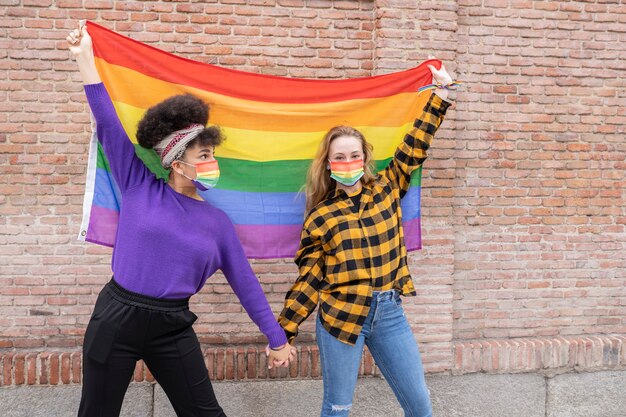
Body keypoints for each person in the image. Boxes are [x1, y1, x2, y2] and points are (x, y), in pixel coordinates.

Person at [67, 22, 293, 417]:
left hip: (172, 326)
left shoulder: (217, 222)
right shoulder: (139, 186)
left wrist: (277, 338)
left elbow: (246, 282)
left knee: (206, 413)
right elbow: (108, 124)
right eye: (203, 155)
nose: (211, 161)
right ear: (176, 160)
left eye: (211, 154)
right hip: (115, 318)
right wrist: (86, 57)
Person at [277, 59, 455, 417]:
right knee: (338, 407)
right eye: (339, 157)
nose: (348, 162)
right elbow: (309, 280)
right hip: (341, 315)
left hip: (389, 312)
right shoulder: (321, 215)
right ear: (328, 164)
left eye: (354, 155)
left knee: (420, 406)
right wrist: (284, 333)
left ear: (364, 158)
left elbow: (414, 147)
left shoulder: (388, 188)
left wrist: (440, 95)